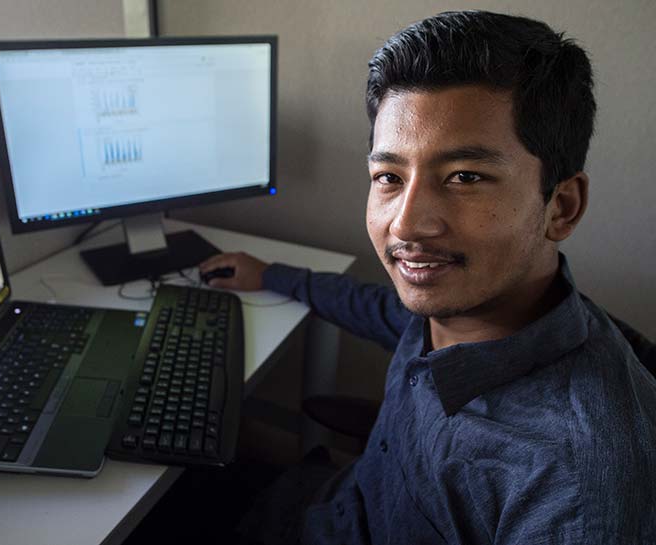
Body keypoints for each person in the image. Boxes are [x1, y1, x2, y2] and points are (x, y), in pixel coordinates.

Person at [199, 10, 656, 545]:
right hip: (318, 507)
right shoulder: (459, 305)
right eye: (389, 177)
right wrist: (271, 275)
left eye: (465, 177)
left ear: (561, 206)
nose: (407, 224)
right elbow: (371, 307)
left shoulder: (577, 485)